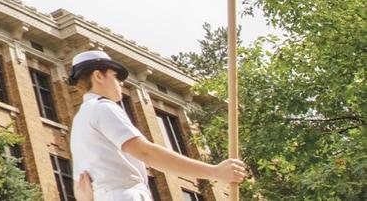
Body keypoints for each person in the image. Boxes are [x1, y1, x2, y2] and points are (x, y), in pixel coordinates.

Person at [67, 50, 247, 201]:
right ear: (98, 76)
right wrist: (215, 172)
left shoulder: (79, 122)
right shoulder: (103, 108)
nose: (121, 83)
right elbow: (144, 152)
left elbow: (80, 189)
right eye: (115, 76)